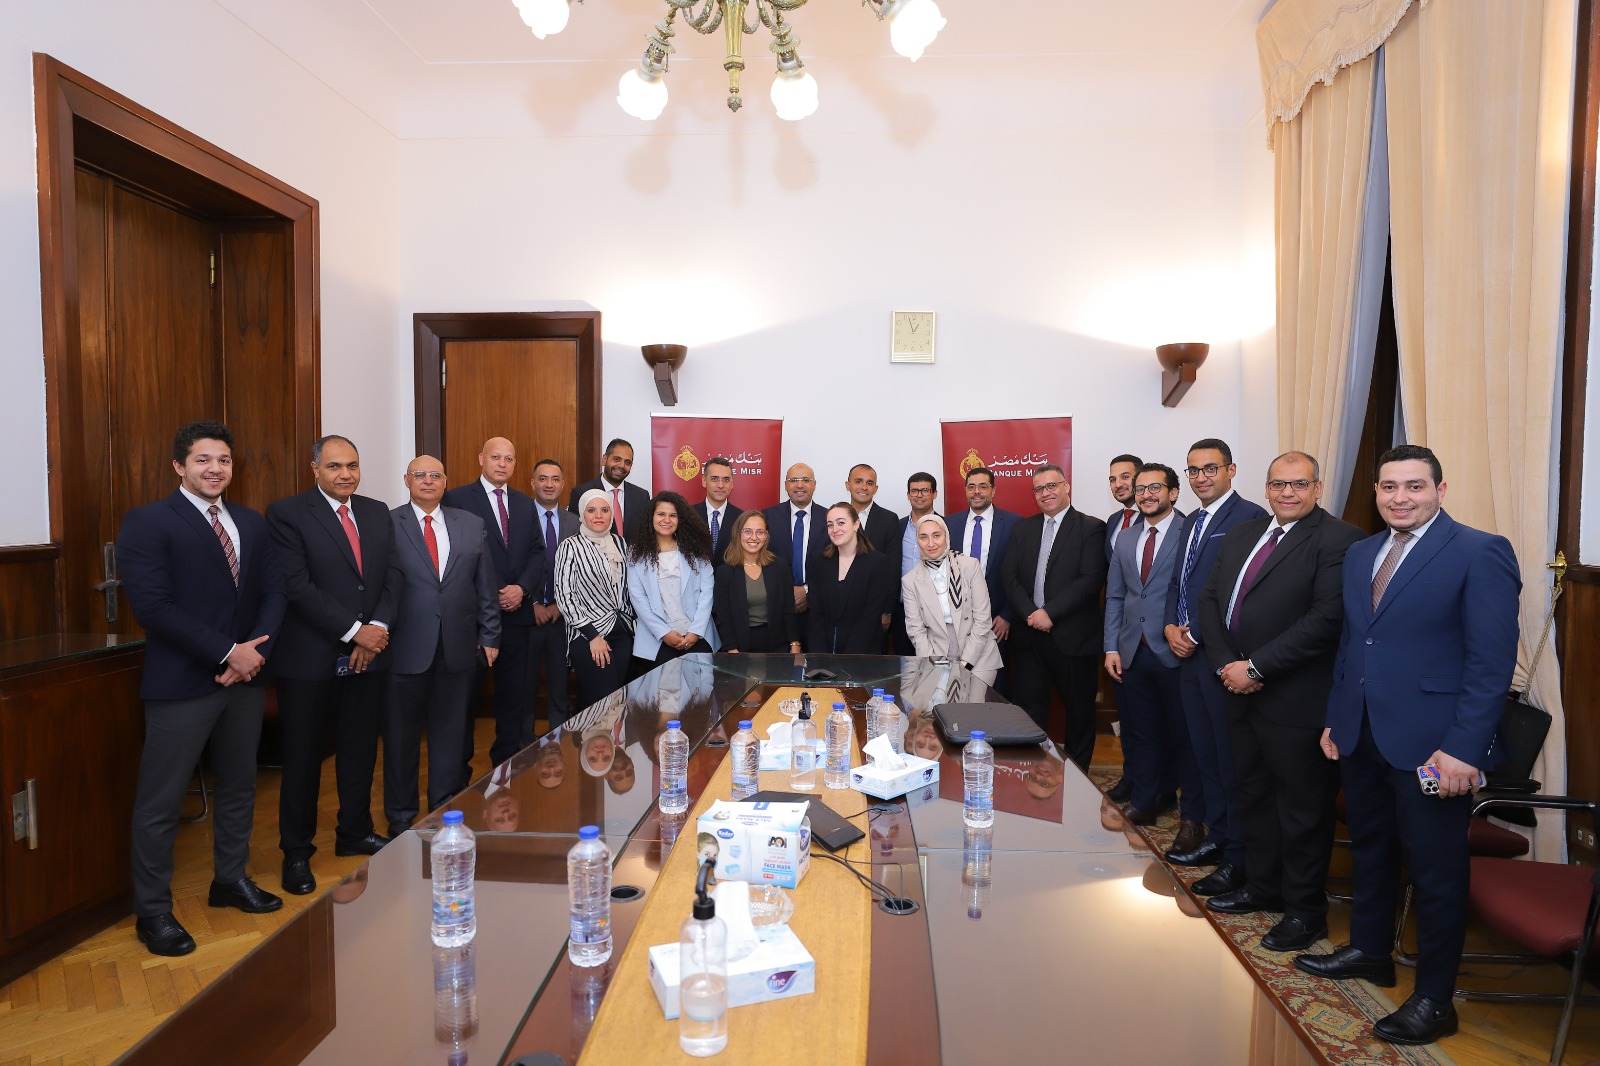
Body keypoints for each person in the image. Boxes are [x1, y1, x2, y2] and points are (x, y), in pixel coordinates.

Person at [1296, 445, 1520, 1046]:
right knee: (1370, 848)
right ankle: (1370, 950)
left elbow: (1491, 663)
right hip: (1363, 734)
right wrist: (1337, 718)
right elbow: (1354, 644)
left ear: (1440, 490)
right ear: (1376, 492)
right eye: (1389, 487)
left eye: (1414, 486)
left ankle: (1435, 1000)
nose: (1400, 498)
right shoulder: (1362, 553)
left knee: (1436, 872)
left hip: (1434, 748)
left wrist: (1464, 748)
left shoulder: (1479, 551)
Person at [117, 421, 286, 956]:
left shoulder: (251, 523)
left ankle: (230, 880)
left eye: (224, 460)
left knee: (239, 784)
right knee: (161, 801)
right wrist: (227, 651)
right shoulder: (148, 522)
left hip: (245, 679)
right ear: (179, 466)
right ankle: (153, 911)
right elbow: (154, 608)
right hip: (182, 683)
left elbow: (275, 593)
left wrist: (252, 654)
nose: (215, 469)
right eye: (203, 460)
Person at [1192, 452, 1361, 952]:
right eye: (1278, 484)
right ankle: (1262, 886)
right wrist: (1227, 665)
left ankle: (1305, 911)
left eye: (1299, 484)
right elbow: (1210, 601)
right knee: (1252, 794)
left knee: (1302, 809)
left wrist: (1256, 668)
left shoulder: (1339, 539)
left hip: (1296, 699)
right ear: (1265, 488)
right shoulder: (1243, 534)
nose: (1288, 493)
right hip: (1236, 690)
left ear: (1317, 488)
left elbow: (1326, 619)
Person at [267, 435, 400, 896]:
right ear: (315, 469)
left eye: (352, 466)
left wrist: (375, 629)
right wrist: (353, 631)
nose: (345, 474)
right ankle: (296, 852)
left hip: (369, 655)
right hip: (310, 659)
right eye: (335, 466)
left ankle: (354, 832)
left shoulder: (377, 512)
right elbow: (296, 586)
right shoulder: (287, 514)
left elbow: (393, 576)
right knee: (303, 758)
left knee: (360, 749)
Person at [1162, 439, 1268, 874]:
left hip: (1222, 656)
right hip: (1187, 656)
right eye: (1193, 470)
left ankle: (1236, 850)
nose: (1201, 477)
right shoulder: (1192, 520)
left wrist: (1196, 633)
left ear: (1231, 470)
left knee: (1230, 759)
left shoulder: (1250, 517)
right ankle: (1215, 835)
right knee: (1202, 752)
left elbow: (1238, 591)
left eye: (1210, 468)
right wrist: (1170, 626)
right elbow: (1179, 582)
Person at [384, 455, 502, 838]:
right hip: (404, 647)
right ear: (406, 480)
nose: (428, 481)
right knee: (401, 738)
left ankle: (444, 806)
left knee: (451, 733)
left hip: (458, 645)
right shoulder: (388, 523)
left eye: (435, 475)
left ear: (446, 480)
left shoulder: (470, 524)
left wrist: (490, 635)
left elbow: (485, 585)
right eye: (420, 475)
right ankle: (401, 815)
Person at [442, 436, 548, 771]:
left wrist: (521, 588)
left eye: (509, 459)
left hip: (517, 616)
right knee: (464, 700)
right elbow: (453, 556)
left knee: (513, 697)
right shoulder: (457, 499)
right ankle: (458, 774)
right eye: (496, 457)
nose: (502, 464)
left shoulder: (524, 503)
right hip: (473, 619)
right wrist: (492, 593)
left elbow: (538, 552)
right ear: (481, 458)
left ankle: (506, 769)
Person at [1103, 463, 1198, 828]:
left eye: (1155, 488)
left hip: (1175, 650)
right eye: (1141, 488)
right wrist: (1111, 647)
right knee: (1140, 732)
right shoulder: (1126, 537)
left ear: (1173, 492)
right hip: (1131, 650)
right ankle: (1145, 801)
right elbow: (1115, 595)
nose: (1146, 495)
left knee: (1181, 735)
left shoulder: (1189, 531)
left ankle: (1187, 809)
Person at [1000, 464, 1108, 770]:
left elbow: (1090, 579)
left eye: (1051, 486)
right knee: (1030, 711)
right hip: (1029, 638)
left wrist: (1050, 613)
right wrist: (1031, 613)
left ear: (1066, 486)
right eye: (1039, 489)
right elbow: (1009, 576)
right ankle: (1032, 771)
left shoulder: (1091, 528)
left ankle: (1078, 777)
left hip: (1072, 639)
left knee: (1079, 712)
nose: (1045, 493)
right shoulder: (1023, 528)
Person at [555, 488, 636, 711]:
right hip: (588, 637)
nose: (598, 515)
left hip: (622, 634)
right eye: (591, 510)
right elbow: (564, 596)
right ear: (582, 514)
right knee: (601, 704)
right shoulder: (570, 546)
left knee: (617, 703)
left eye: (604, 510)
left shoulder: (620, 543)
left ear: (612, 514)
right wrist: (593, 636)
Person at [902, 513, 1004, 685]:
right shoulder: (910, 580)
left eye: (936, 535)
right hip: (937, 654)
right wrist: (931, 662)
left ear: (946, 536)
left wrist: (967, 663)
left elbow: (982, 619)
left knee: (974, 702)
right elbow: (916, 630)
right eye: (923, 537)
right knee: (943, 703)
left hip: (979, 653)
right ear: (917, 541)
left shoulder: (969, 566)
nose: (931, 543)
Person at [626, 491, 719, 671]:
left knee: (700, 688)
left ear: (680, 519)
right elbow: (638, 599)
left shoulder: (696, 550)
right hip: (656, 640)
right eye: (661, 514)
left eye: (673, 515)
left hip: (697, 636)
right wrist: (664, 633)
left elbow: (707, 594)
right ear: (651, 518)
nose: (666, 520)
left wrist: (695, 632)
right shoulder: (635, 554)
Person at [528, 458, 581, 730]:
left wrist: (561, 603)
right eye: (543, 478)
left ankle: (559, 742)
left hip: (563, 618)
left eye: (555, 479)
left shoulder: (575, 522)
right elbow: (510, 565)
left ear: (562, 485)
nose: (549, 484)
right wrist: (532, 602)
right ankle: (522, 746)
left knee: (560, 688)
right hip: (526, 617)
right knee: (523, 688)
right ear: (532, 483)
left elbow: (580, 570)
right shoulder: (519, 517)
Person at [806, 502, 897, 654]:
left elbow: (870, 617)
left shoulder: (878, 563)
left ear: (856, 524)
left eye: (841, 523)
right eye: (830, 525)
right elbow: (816, 614)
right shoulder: (818, 562)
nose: (835, 529)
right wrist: (821, 655)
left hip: (863, 654)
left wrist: (847, 659)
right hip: (823, 654)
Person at [946, 466, 1020, 645]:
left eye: (983, 486)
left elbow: (1021, 573)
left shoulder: (1014, 524)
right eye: (971, 487)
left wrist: (1007, 615)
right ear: (965, 491)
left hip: (997, 621)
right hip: (957, 619)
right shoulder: (950, 524)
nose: (976, 492)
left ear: (993, 491)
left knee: (995, 664)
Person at [712, 510, 801, 653]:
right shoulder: (725, 572)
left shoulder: (780, 567)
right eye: (748, 531)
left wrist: (795, 643)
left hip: (778, 646)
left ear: (766, 536)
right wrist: (731, 648)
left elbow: (788, 610)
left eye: (760, 532)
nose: (754, 537)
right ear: (738, 534)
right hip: (740, 647)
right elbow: (723, 616)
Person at [763, 462, 828, 619]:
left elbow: (834, 563)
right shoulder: (767, 517)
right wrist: (787, 591)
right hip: (777, 605)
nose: (799, 485)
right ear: (786, 485)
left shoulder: (829, 519)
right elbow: (761, 559)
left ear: (814, 485)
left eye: (805, 480)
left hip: (819, 606)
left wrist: (806, 590)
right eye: (793, 480)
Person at [892, 471, 940, 654]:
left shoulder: (947, 526)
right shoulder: (896, 527)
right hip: (902, 611)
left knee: (936, 664)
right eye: (914, 491)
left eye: (925, 490)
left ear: (934, 494)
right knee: (905, 665)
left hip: (937, 611)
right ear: (908, 495)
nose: (919, 495)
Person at [568, 438, 650, 542]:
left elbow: (645, 535)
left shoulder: (641, 497)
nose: (622, 465)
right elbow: (574, 533)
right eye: (617, 459)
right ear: (604, 459)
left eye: (627, 462)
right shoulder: (581, 493)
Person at [695, 456, 742, 559]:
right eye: (714, 479)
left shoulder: (742, 518)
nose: (721, 485)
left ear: (732, 484)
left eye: (726, 480)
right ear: (704, 481)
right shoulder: (689, 515)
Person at [1105, 453, 1144, 559]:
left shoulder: (1158, 515)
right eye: (1113, 480)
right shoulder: (1112, 520)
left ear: (1141, 478)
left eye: (1125, 477)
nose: (1118, 485)